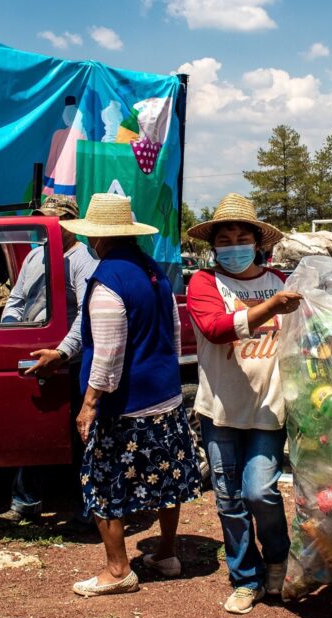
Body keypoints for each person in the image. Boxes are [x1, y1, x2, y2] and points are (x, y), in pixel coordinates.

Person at [62, 193, 203, 597]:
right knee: (166, 478)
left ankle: (117, 568)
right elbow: (174, 331)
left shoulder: (107, 279)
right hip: (165, 396)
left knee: (104, 484)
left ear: (96, 238)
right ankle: (167, 553)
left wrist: (89, 404)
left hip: (123, 406)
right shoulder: (153, 270)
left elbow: (108, 352)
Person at [185, 193, 303, 615]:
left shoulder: (281, 282)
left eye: (242, 237)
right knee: (229, 501)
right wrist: (270, 307)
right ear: (213, 247)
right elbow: (216, 329)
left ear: (257, 242)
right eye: (225, 239)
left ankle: (277, 557)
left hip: (269, 409)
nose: (233, 245)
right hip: (219, 409)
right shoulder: (203, 283)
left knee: (260, 492)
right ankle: (245, 578)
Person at [0, 195, 99, 528]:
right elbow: (16, 301)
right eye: (41, 218)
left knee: (80, 435)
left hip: (73, 361)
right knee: (32, 429)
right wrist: (13, 334)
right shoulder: (35, 257)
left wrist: (62, 352)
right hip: (36, 359)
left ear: (67, 223)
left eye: (51, 219)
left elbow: (87, 315)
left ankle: (87, 509)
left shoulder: (83, 260)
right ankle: (25, 503)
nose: (44, 224)